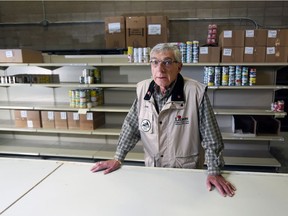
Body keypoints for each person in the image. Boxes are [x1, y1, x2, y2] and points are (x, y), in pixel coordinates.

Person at [91, 43, 236, 197]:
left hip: (186, 173)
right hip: (153, 170)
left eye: (167, 62)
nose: (160, 69)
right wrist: (118, 158)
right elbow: (131, 127)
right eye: (154, 62)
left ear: (179, 67)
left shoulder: (195, 93)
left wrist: (214, 171)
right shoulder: (143, 90)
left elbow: (211, 138)